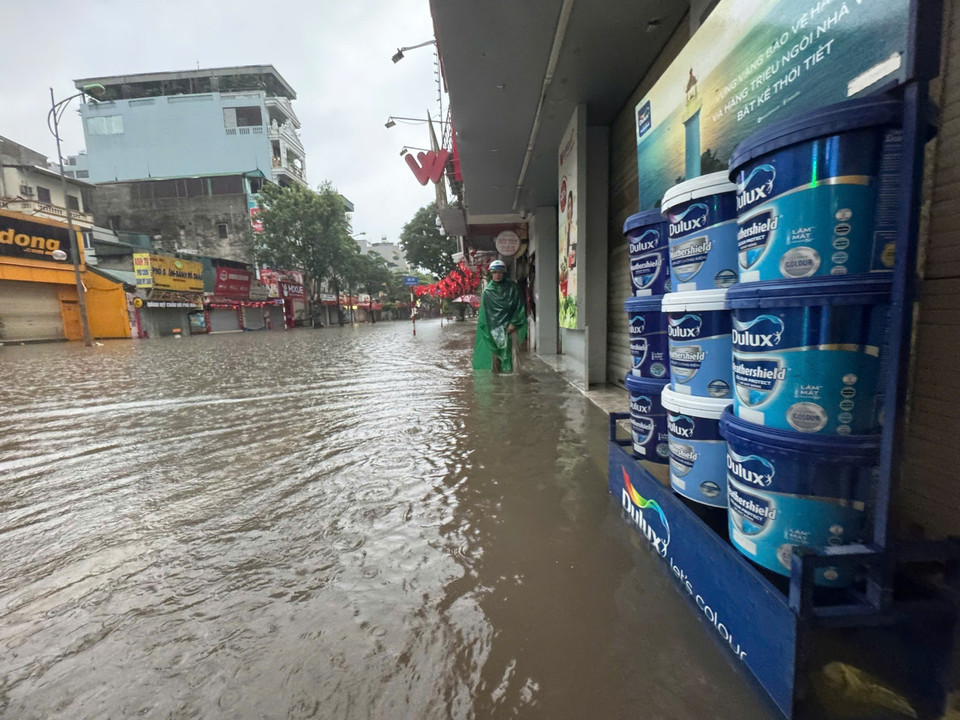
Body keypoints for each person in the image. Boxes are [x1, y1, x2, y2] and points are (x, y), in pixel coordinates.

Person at [472, 260, 527, 373]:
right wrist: (489, 331)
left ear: (504, 273)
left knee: (513, 353)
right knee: (496, 355)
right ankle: (497, 379)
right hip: (494, 329)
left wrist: (514, 323)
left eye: (500, 272)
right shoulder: (487, 292)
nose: (497, 275)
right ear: (491, 273)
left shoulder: (512, 288)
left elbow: (519, 306)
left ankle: (515, 377)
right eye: (495, 272)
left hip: (511, 326)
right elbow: (485, 315)